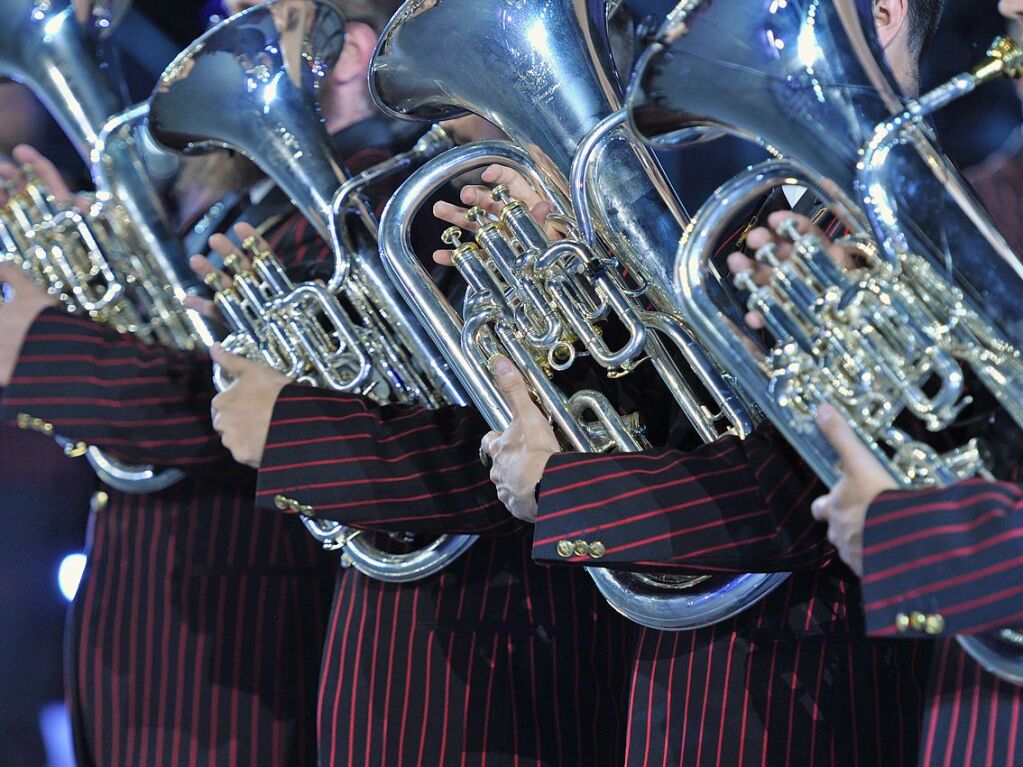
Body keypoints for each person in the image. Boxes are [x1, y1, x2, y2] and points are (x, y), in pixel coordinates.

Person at [481, 1, 947, 764]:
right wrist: (579, 303)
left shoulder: (918, 217)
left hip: (810, 702)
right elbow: (686, 417)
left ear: (883, 13)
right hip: (693, 689)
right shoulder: (751, 215)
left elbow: (800, 492)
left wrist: (565, 487)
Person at [193, 7, 634, 767]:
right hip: (398, 650)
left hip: (505, 663)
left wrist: (294, 427)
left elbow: (517, 446)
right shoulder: (416, 202)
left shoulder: (449, 206)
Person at [0, 0, 399, 761]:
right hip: (161, 627)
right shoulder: (245, 203)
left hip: (244, 640)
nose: (217, 43)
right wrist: (92, 273)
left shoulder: (362, 209)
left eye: (266, 22)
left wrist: (46, 343)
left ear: (346, 55)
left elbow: (252, 408)